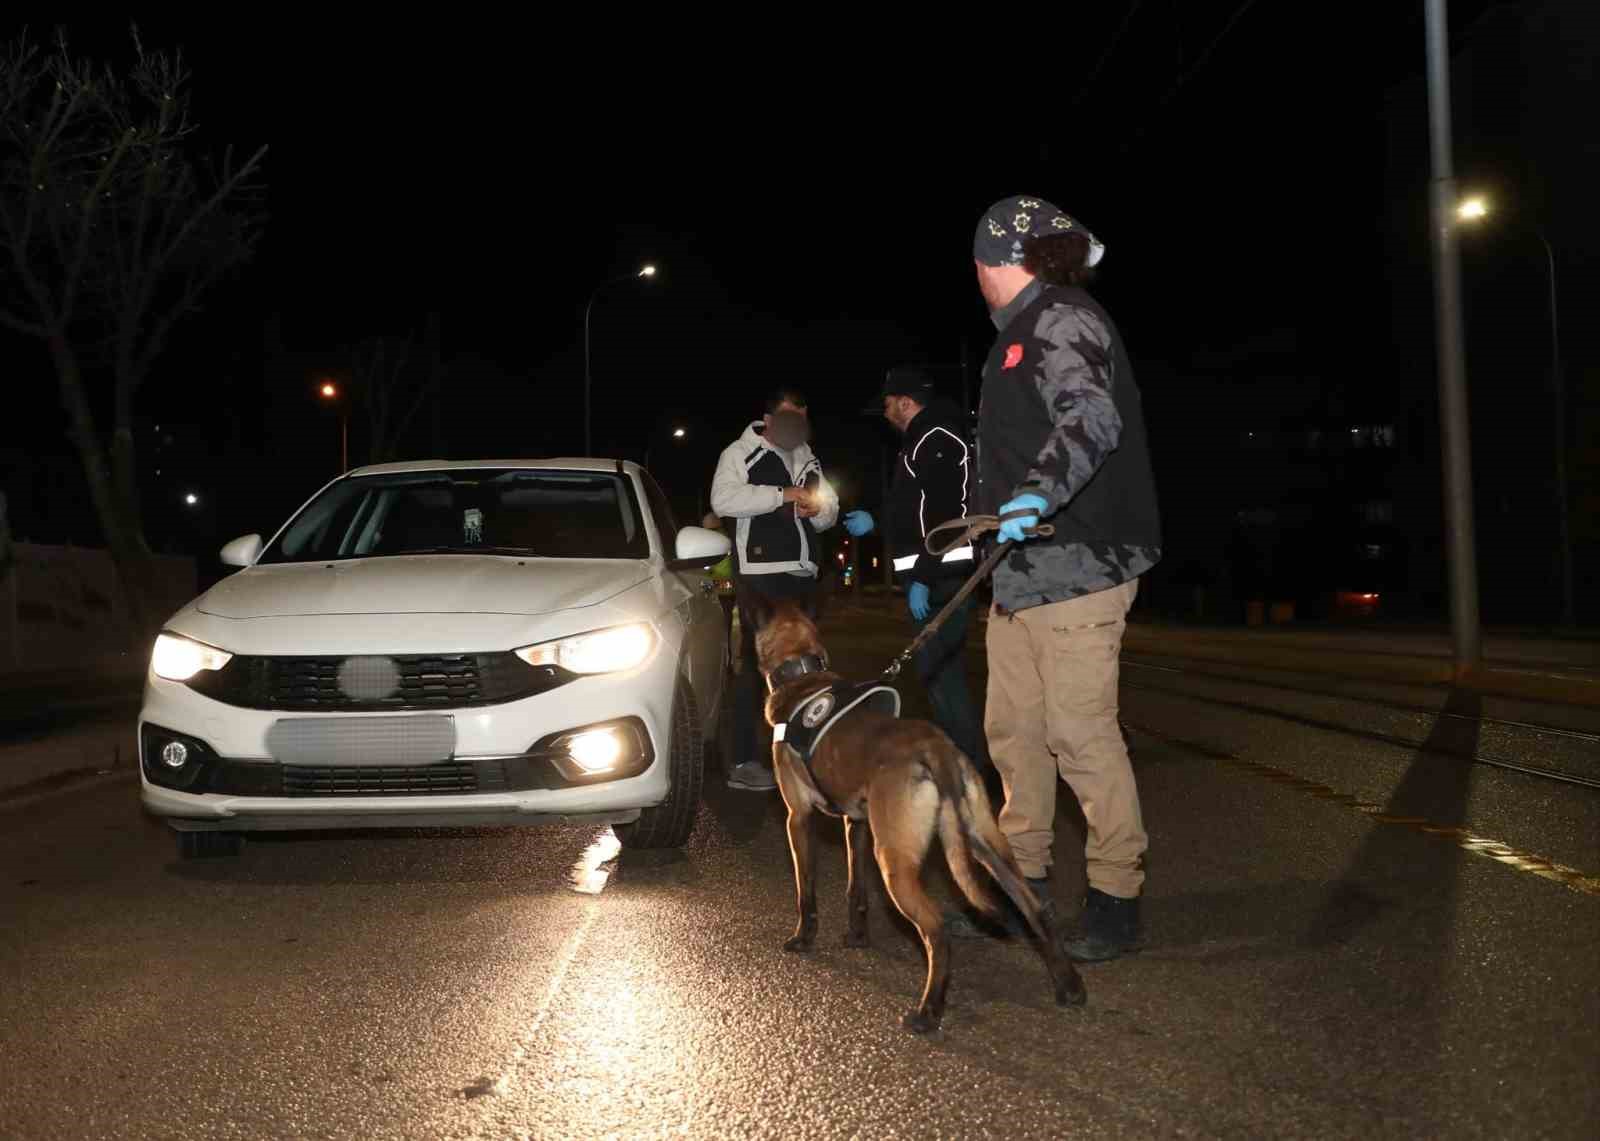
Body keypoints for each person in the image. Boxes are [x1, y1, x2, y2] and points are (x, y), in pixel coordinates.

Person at [971, 195, 1162, 962]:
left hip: (1082, 564)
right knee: (1015, 736)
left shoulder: (1062, 317)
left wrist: (1037, 493)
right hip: (1021, 575)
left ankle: (1117, 897)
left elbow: (1091, 417)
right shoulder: (1016, 332)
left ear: (992, 260)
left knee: (1079, 734)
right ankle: (1024, 885)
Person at [842, 366, 985, 771]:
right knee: (939, 675)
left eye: (887, 404)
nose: (885, 412)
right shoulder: (921, 438)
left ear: (906, 402)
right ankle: (960, 765)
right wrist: (877, 519)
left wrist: (923, 575)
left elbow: (944, 512)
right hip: (934, 576)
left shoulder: (934, 435)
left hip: (942, 578)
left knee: (941, 675)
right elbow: (913, 509)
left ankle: (965, 769)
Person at [710, 387, 839, 791]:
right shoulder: (739, 452)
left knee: (807, 666)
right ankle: (746, 761)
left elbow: (830, 511)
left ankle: (805, 754)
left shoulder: (808, 456)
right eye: (788, 418)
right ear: (767, 420)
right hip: (760, 574)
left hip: (803, 574)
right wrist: (782, 495)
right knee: (756, 667)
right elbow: (723, 499)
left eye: (802, 418)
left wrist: (818, 510)